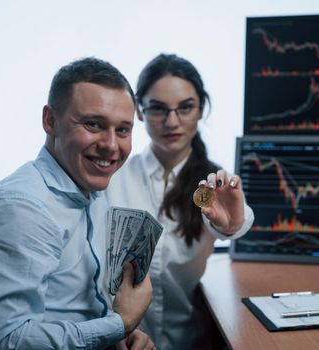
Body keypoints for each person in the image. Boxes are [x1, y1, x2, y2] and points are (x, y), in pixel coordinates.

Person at [0, 57, 156, 350]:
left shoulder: (92, 191)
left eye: (123, 130)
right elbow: (1, 342)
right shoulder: (21, 210)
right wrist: (119, 323)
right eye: (93, 124)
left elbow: (73, 308)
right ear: (50, 121)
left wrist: (117, 337)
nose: (111, 145)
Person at [106, 53, 255, 350]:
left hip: (193, 340)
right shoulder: (112, 177)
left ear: (201, 109)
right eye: (159, 109)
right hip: (123, 341)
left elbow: (237, 220)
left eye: (185, 108)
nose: (171, 122)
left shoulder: (213, 184)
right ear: (139, 111)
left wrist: (233, 224)